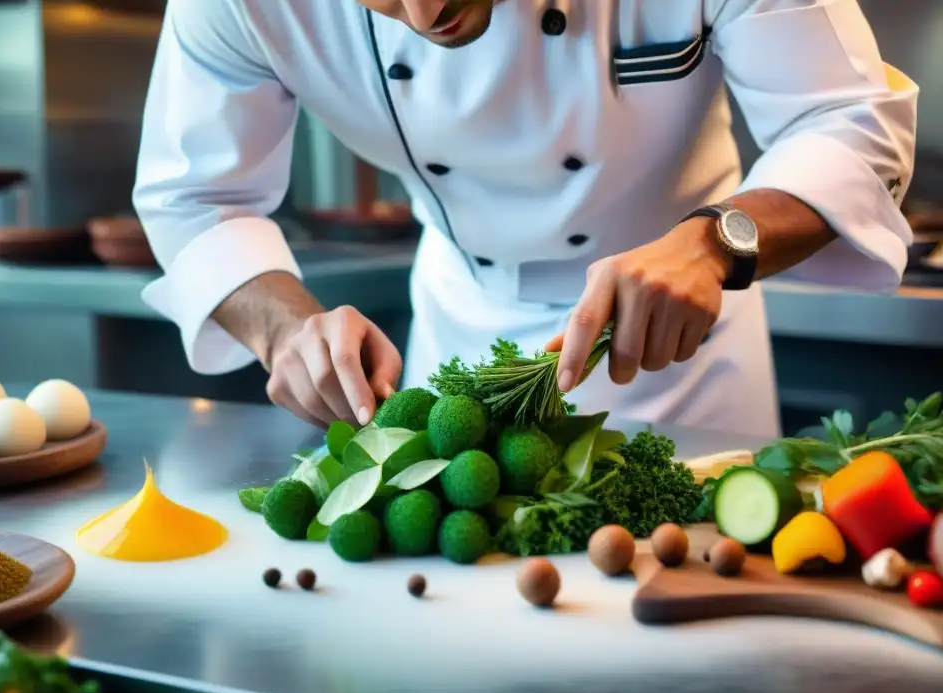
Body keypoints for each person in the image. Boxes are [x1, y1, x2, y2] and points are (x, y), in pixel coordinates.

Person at [133, 0, 917, 438]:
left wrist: (714, 245)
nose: (425, 10)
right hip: (459, 333)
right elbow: (196, 195)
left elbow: (850, 120)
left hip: (684, 357)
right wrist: (286, 330)